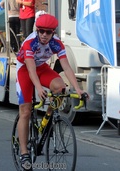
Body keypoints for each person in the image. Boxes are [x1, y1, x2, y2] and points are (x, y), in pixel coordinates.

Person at [16, 14, 85, 171]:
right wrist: (39, 88)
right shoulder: (30, 43)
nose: (44, 35)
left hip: (42, 68)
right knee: (25, 111)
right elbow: (31, 70)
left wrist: (78, 88)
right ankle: (24, 152)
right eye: (41, 31)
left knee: (60, 88)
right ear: (37, 30)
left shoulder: (56, 44)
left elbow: (66, 67)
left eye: (48, 32)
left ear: (53, 33)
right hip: (25, 70)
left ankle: (48, 117)